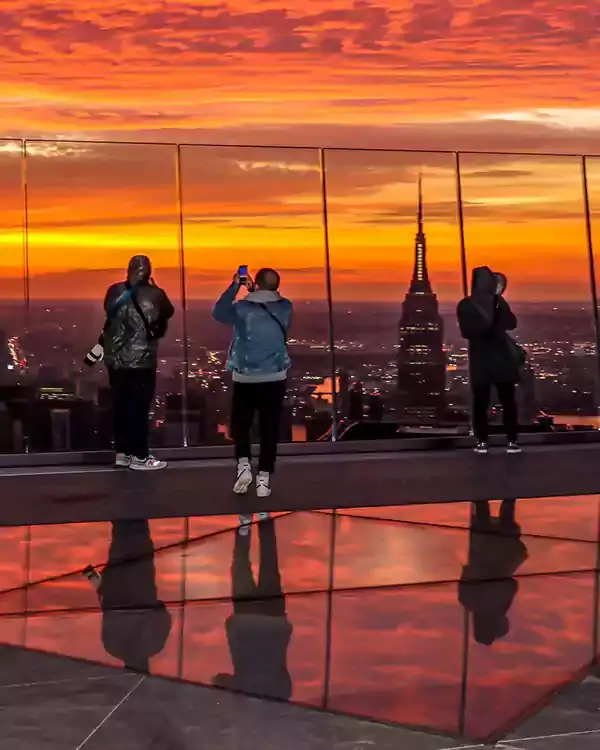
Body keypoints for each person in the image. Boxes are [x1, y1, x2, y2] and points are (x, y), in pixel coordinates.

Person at [213, 268, 292, 501]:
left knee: (241, 426)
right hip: (275, 377)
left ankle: (244, 467)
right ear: (277, 285)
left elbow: (219, 312)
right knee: (269, 429)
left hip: (246, 377)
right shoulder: (285, 307)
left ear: (255, 283)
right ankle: (264, 479)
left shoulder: (243, 309)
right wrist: (257, 292)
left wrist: (236, 286)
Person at [103, 255, 174, 470]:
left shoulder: (115, 291)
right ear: (149, 271)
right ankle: (140, 456)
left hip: (115, 360)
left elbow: (109, 311)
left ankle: (123, 453)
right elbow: (168, 311)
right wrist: (156, 288)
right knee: (139, 409)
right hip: (141, 360)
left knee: (121, 406)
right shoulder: (156, 294)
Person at [457, 266, 521, 454]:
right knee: (508, 401)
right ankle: (511, 440)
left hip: (481, 360)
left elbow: (466, 331)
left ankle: (482, 441)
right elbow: (512, 323)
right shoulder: (498, 302)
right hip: (502, 358)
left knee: (480, 403)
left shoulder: (466, 305)